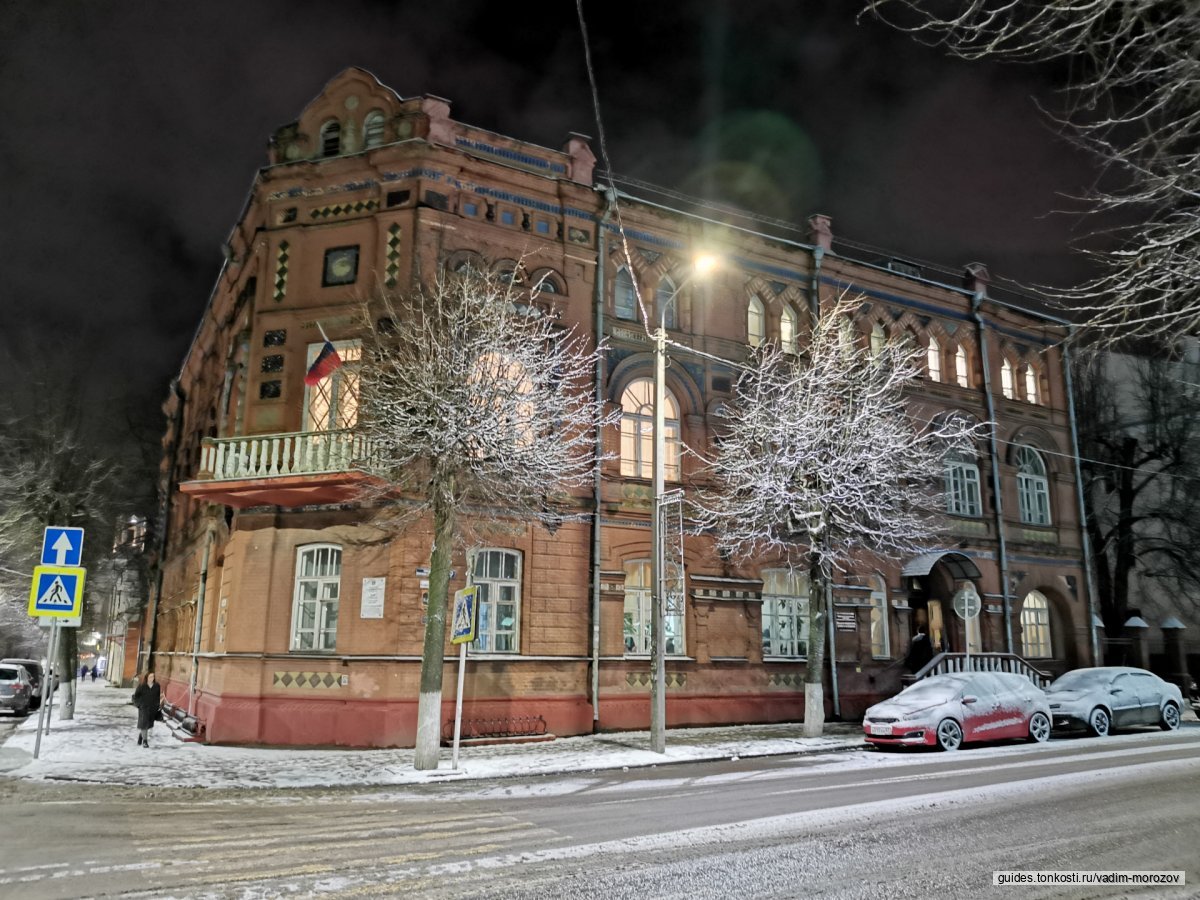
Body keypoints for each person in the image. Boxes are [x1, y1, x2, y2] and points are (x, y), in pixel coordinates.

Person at [131, 672, 162, 747]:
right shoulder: (142, 686)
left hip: (152, 708)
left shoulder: (157, 686)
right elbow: (135, 696)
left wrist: (158, 705)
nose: (152, 678)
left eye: (153, 677)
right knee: (144, 723)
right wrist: (139, 705)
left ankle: (141, 735)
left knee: (148, 725)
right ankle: (145, 742)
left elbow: (157, 697)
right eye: (150, 677)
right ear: (146, 677)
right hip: (143, 708)